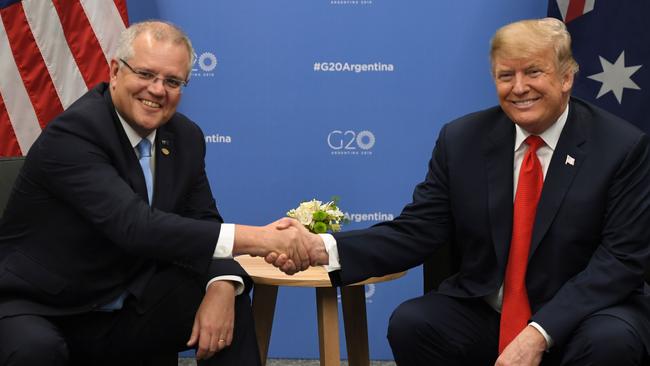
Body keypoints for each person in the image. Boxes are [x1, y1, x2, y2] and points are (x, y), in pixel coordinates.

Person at [271, 18, 650, 365]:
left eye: (534, 72)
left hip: (582, 316)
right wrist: (323, 248)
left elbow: (620, 260)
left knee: (611, 340)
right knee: (414, 323)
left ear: (566, 77)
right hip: (490, 310)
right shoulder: (463, 140)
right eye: (506, 76)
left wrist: (539, 332)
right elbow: (417, 230)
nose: (519, 88)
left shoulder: (621, 148)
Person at [0, 21, 309, 366]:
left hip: (126, 301)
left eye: (173, 81)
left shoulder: (185, 137)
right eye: (146, 74)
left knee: (227, 298)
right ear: (115, 71)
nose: (158, 90)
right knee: (35, 350)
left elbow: (203, 220)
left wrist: (222, 283)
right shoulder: (75, 133)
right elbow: (135, 227)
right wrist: (264, 239)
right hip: (44, 306)